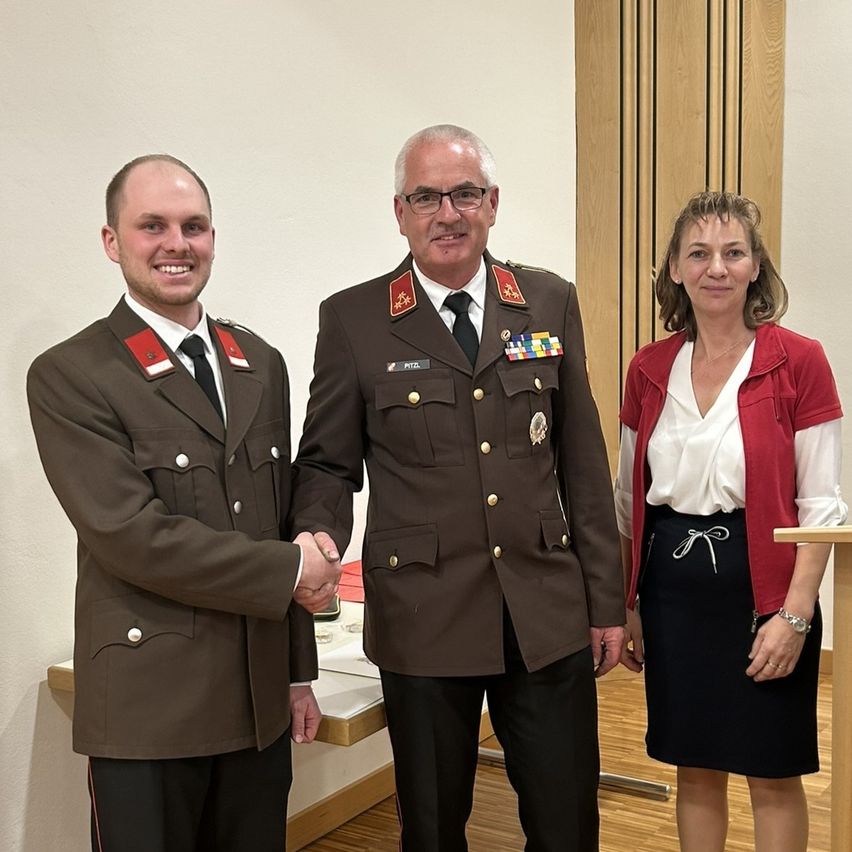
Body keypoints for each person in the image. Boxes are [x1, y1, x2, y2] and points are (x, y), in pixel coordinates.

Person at [289, 124, 625, 852]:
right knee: (434, 829)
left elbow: (583, 464)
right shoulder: (354, 319)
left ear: (492, 203)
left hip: (543, 610)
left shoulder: (546, 299)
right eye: (427, 197)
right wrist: (317, 538)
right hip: (425, 616)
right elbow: (325, 464)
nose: (448, 213)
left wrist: (605, 601)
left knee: (568, 822)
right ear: (400, 211)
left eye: (464, 193)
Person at [27, 154, 341, 852]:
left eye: (193, 225)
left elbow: (279, 519)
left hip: (257, 705)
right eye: (152, 226)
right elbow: (132, 536)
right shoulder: (72, 374)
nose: (177, 243)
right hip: (150, 710)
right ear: (113, 242)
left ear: (213, 238)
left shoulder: (257, 361)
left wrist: (296, 675)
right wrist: (292, 572)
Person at [616, 191, 847, 852]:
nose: (716, 267)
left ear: (754, 268)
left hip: (764, 592)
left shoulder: (798, 360)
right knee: (696, 767)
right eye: (699, 253)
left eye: (732, 252)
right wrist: (626, 602)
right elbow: (627, 501)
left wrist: (795, 617)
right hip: (672, 591)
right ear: (676, 270)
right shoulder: (648, 368)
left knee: (772, 772)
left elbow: (822, 507)